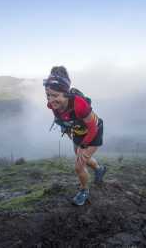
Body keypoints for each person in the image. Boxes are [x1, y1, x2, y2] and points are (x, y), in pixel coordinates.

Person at [44, 66, 106, 206]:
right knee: (83, 157)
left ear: (65, 93)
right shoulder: (53, 106)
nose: (50, 100)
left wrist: (83, 146)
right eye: (48, 95)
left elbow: (93, 127)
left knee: (79, 166)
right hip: (78, 132)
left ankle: (84, 191)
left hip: (94, 132)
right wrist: (69, 133)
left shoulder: (79, 104)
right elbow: (63, 120)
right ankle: (99, 169)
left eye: (55, 95)